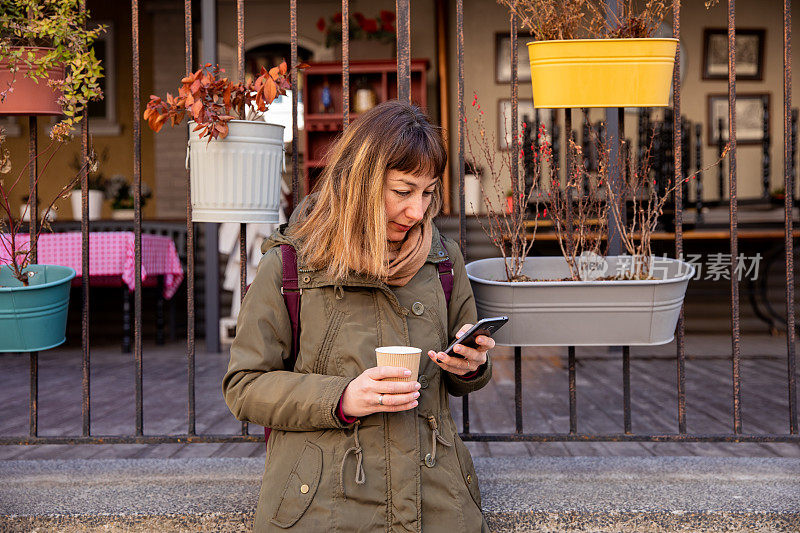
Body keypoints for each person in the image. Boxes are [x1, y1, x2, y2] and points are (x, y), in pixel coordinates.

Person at [223, 100, 494, 532]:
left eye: (427, 193)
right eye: (403, 191)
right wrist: (342, 398)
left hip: (438, 502)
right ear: (359, 182)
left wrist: (470, 365)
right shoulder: (291, 264)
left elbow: (461, 376)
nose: (417, 211)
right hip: (323, 507)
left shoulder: (443, 261)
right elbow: (244, 386)